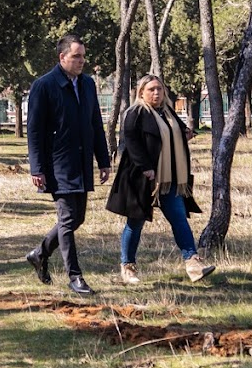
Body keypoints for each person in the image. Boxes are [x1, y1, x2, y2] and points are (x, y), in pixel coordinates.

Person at [107, 74, 216, 284]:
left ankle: (193, 264)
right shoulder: (135, 112)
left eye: (159, 89)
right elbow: (131, 142)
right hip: (142, 178)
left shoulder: (167, 112)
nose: (156, 93)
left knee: (178, 218)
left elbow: (173, 132)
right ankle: (127, 267)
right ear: (141, 92)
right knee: (135, 222)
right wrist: (146, 168)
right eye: (151, 90)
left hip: (169, 177)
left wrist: (185, 133)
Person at [24, 34, 111, 296]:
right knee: (67, 218)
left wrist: (103, 160)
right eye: (76, 56)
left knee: (77, 218)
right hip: (57, 164)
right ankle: (75, 277)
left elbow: (95, 123)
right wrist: (36, 168)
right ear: (62, 57)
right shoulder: (44, 85)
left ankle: (39, 254)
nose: (81, 61)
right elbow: (35, 131)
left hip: (81, 163)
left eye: (83, 56)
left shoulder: (87, 84)